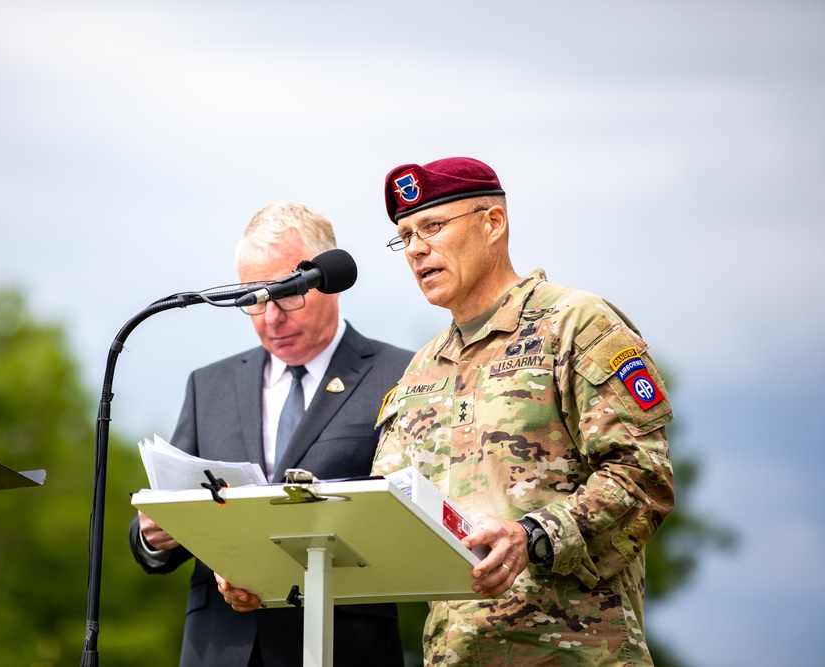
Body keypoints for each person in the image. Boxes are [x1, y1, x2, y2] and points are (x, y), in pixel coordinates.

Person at [372, 157, 675, 666]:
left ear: (493, 223)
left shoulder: (574, 324)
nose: (416, 249)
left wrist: (530, 535)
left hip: (578, 653)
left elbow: (643, 476)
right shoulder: (420, 370)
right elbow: (387, 506)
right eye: (404, 236)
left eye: (433, 226)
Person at [129, 201, 413, 667]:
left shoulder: (399, 374)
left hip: (345, 645)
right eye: (251, 298)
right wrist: (154, 535)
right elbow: (156, 531)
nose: (270, 317)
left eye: (286, 294)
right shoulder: (209, 385)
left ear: (330, 281)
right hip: (220, 647)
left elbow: (414, 520)